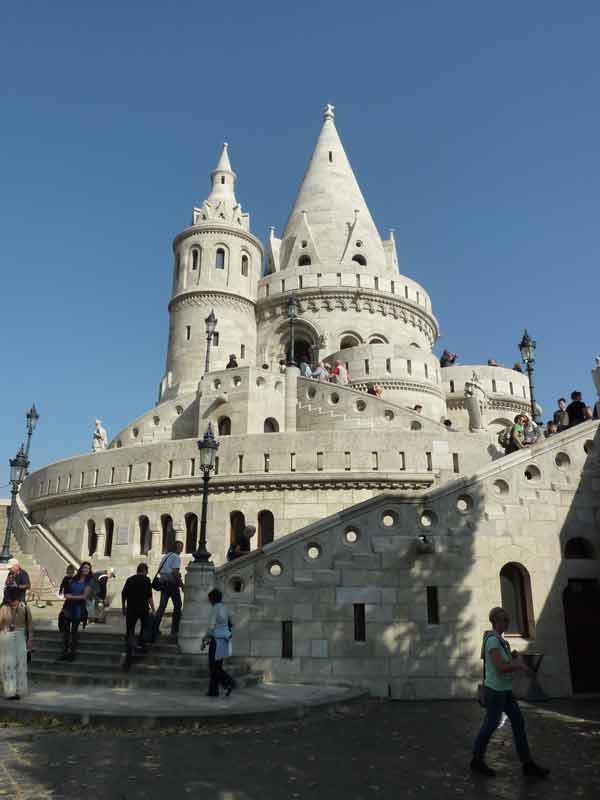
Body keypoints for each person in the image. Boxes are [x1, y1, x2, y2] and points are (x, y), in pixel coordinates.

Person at [471, 607, 549, 778]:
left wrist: (511, 656)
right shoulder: (492, 641)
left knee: (518, 723)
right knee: (491, 724)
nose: (507, 622)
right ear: (495, 621)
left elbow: (500, 662)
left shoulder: (502, 641)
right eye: (503, 620)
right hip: (495, 691)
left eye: (507, 619)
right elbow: (499, 668)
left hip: (505, 691)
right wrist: (519, 666)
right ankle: (476, 759)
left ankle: (527, 763)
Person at [0, 586, 33, 700]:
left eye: (15, 600)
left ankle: (20, 690)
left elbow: (30, 625)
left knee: (21, 664)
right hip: (6, 636)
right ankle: (10, 691)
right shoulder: (4, 608)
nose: (13, 602)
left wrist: (30, 640)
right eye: (11, 600)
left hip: (20, 636)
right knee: (8, 664)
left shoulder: (25, 608)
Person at [202, 589, 235, 697]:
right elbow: (231, 623)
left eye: (209, 598)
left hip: (216, 640)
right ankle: (214, 691)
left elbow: (211, 627)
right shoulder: (225, 608)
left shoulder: (214, 609)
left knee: (213, 667)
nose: (209, 600)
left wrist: (205, 640)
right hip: (224, 640)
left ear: (212, 599)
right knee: (217, 667)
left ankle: (229, 682)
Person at [121, 563, 154, 670]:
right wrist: (153, 608)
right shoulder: (146, 580)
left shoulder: (129, 580)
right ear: (144, 570)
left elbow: (123, 593)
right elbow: (149, 596)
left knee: (130, 632)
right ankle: (141, 644)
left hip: (131, 609)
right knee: (145, 627)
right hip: (143, 609)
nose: (147, 573)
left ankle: (128, 658)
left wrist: (123, 607)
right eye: (147, 571)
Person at [59, 562, 93, 661]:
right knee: (65, 632)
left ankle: (72, 653)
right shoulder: (73, 579)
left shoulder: (89, 582)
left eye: (88, 568)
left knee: (74, 632)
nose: (86, 569)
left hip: (78, 609)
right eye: (85, 567)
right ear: (81, 568)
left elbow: (84, 596)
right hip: (68, 607)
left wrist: (71, 597)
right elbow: (66, 593)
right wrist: (67, 595)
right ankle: (64, 652)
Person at [152, 541, 184, 639]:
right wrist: (181, 584)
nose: (181, 549)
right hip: (171, 584)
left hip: (163, 583)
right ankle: (174, 630)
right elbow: (174, 572)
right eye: (180, 547)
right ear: (177, 548)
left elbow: (164, 570)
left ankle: (154, 628)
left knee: (162, 607)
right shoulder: (176, 557)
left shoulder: (165, 556)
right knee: (178, 605)